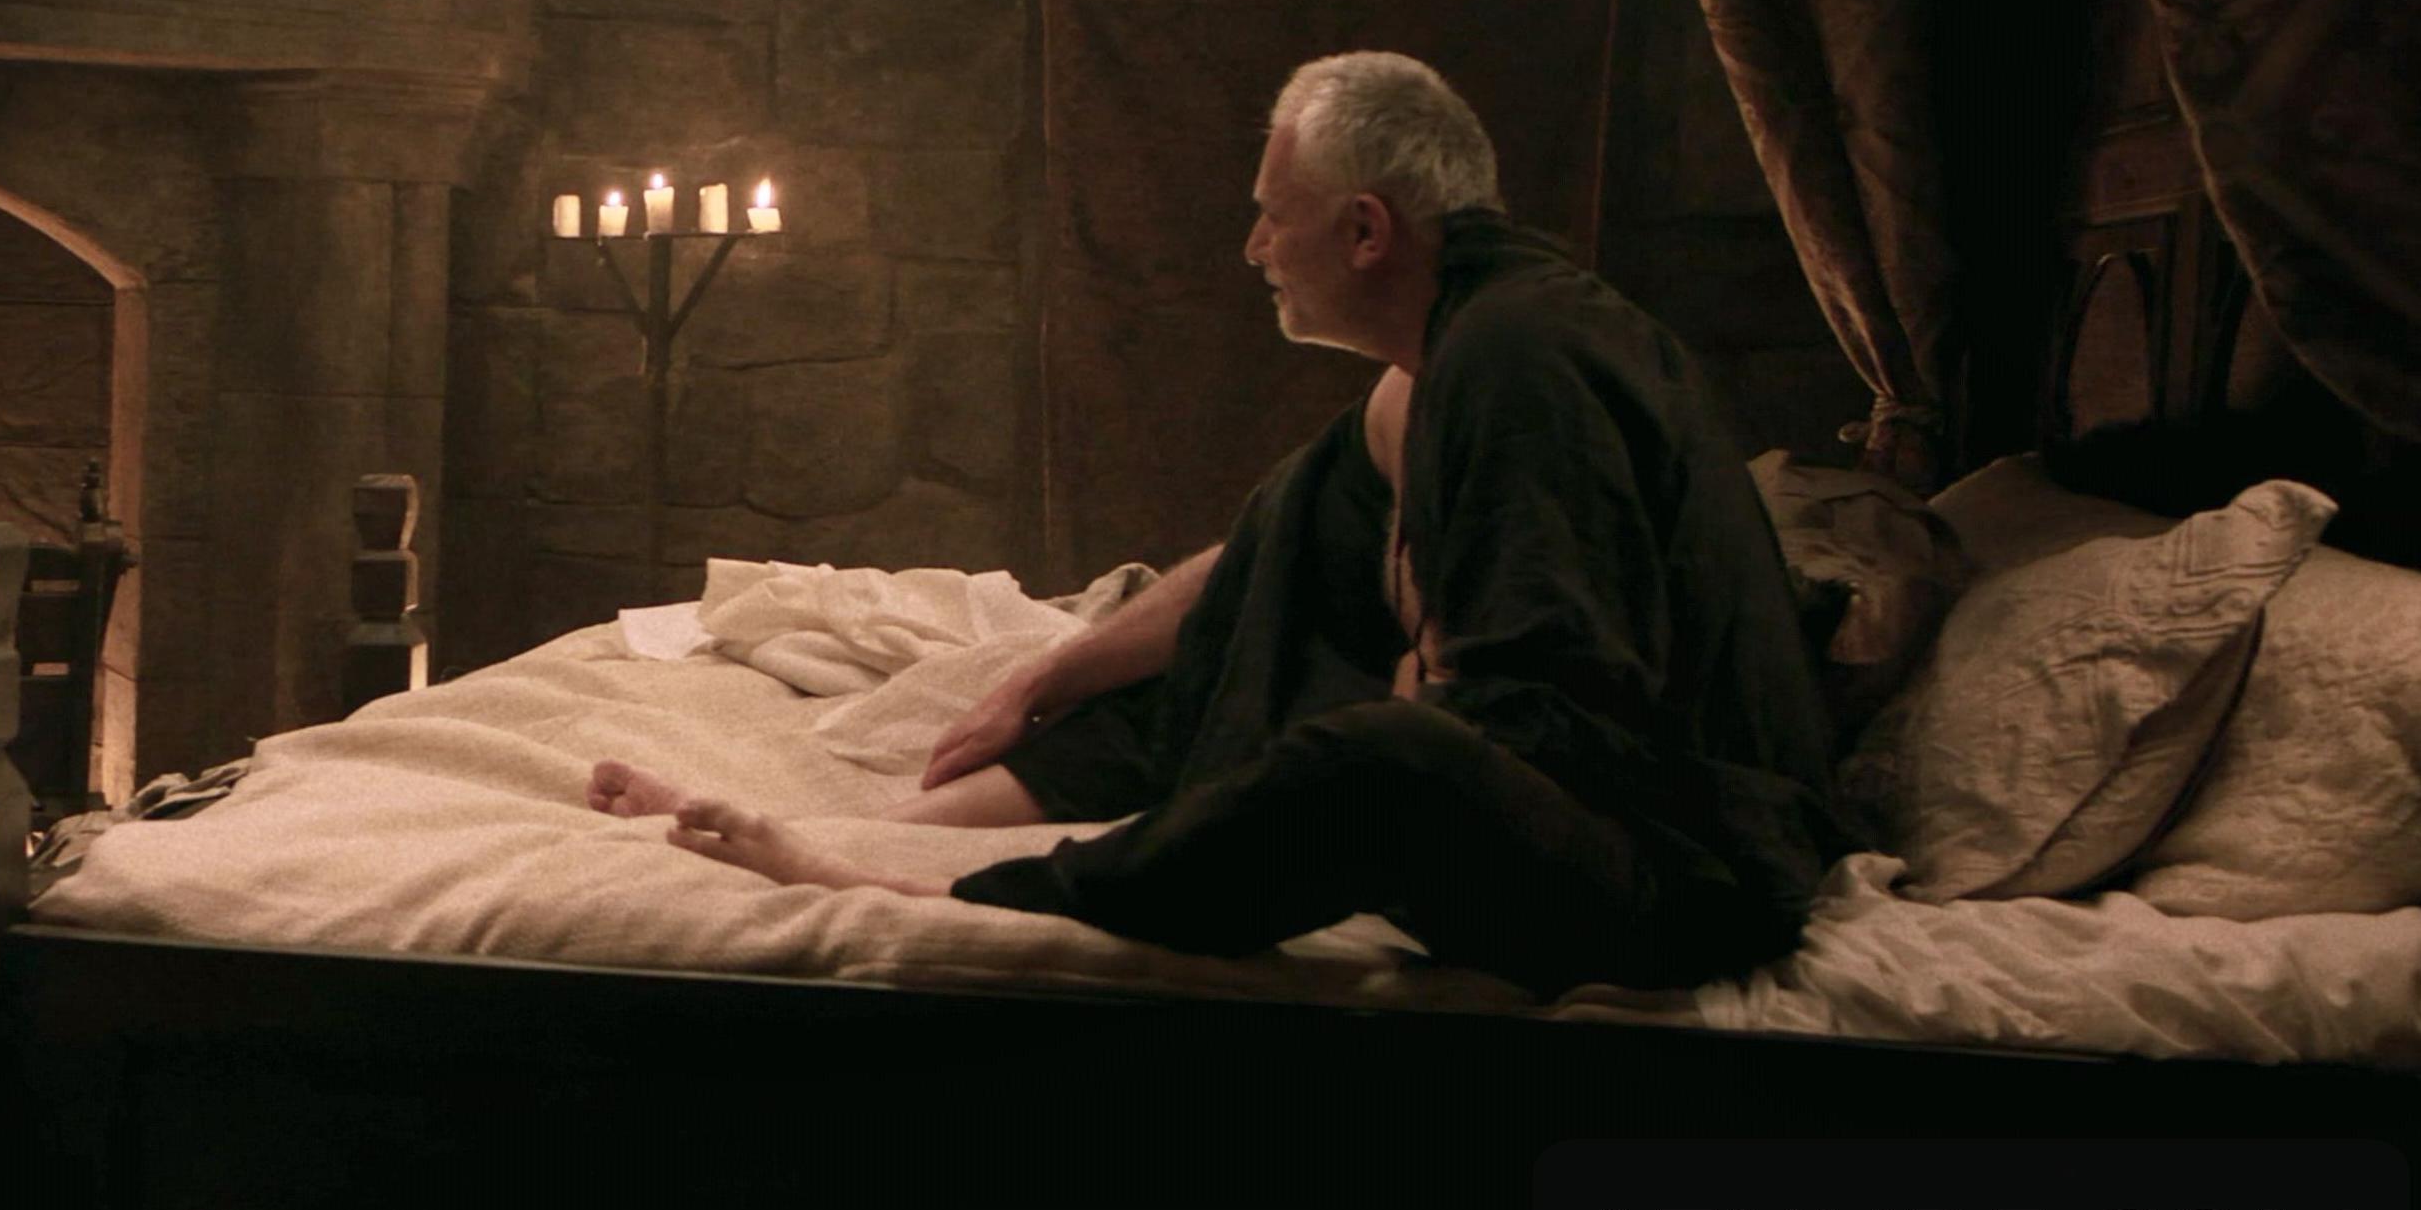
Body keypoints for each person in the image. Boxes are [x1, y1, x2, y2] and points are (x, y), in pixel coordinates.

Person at [591, 52, 1849, 995]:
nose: (1253, 246)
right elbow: (1264, 559)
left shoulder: (1522, 361)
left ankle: (930, 890)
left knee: (1371, 761)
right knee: (1231, 642)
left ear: (1366, 229)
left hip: (1684, 876)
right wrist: (1046, 678)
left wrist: (1420, 692)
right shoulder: (1434, 366)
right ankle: (858, 834)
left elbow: (1560, 706)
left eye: (1273, 212)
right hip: (1587, 807)